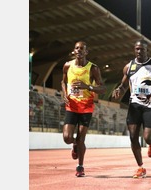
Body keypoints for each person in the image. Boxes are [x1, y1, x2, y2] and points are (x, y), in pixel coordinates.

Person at [112, 39, 151, 178]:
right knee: (133, 137)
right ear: (134, 50)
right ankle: (140, 167)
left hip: (150, 105)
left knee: (148, 138)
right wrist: (119, 89)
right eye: (137, 49)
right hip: (135, 105)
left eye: (142, 49)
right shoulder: (129, 67)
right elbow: (124, 85)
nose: (139, 51)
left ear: (146, 50)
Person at [61, 41, 106, 177]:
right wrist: (64, 94)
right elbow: (63, 81)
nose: (79, 50)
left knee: (81, 138)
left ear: (86, 52)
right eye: (76, 48)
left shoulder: (93, 68)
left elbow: (103, 88)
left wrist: (88, 87)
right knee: (67, 137)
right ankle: (74, 144)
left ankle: (80, 166)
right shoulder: (67, 65)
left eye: (82, 49)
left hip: (86, 107)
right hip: (72, 105)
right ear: (74, 51)